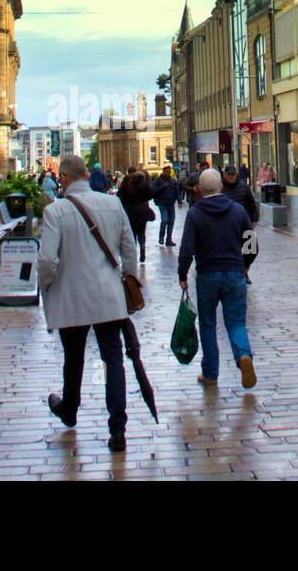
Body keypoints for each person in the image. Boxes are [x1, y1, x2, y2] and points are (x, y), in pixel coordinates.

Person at [38, 154, 139, 453]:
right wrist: (130, 281)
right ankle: (117, 429)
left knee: (74, 357)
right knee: (113, 359)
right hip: (108, 297)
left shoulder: (55, 212)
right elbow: (129, 250)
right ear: (86, 175)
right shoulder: (112, 203)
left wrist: (47, 283)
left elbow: (46, 260)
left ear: (65, 179)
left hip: (72, 298)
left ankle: (70, 408)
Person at [178, 169, 256, 389]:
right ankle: (243, 355)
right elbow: (251, 243)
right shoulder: (238, 211)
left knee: (208, 324)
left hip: (207, 275)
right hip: (234, 272)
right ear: (221, 187)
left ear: (200, 190)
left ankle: (211, 373)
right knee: (236, 323)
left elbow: (186, 249)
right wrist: (245, 264)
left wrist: (182, 274)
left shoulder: (195, 214)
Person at [221, 165, 259, 282]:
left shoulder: (244, 187)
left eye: (233, 174)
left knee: (252, 249)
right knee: (232, 252)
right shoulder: (220, 188)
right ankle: (235, 274)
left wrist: (253, 219)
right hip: (226, 226)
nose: (232, 177)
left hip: (244, 224)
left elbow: (252, 205)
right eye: (229, 174)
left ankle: (244, 269)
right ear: (224, 175)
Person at [118, 165, 155, 263]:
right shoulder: (143, 180)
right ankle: (142, 248)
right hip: (142, 210)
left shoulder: (126, 180)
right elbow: (151, 195)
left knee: (132, 233)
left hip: (129, 211)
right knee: (142, 232)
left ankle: (133, 253)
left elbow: (119, 195)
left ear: (128, 172)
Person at [151, 166, 180, 247]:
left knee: (171, 221)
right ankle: (161, 237)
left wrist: (179, 201)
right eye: (166, 171)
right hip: (162, 203)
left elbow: (176, 191)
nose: (168, 173)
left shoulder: (173, 180)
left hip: (171, 203)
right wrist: (163, 187)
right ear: (163, 171)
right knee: (165, 220)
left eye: (169, 171)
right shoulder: (158, 180)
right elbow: (153, 192)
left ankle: (169, 239)